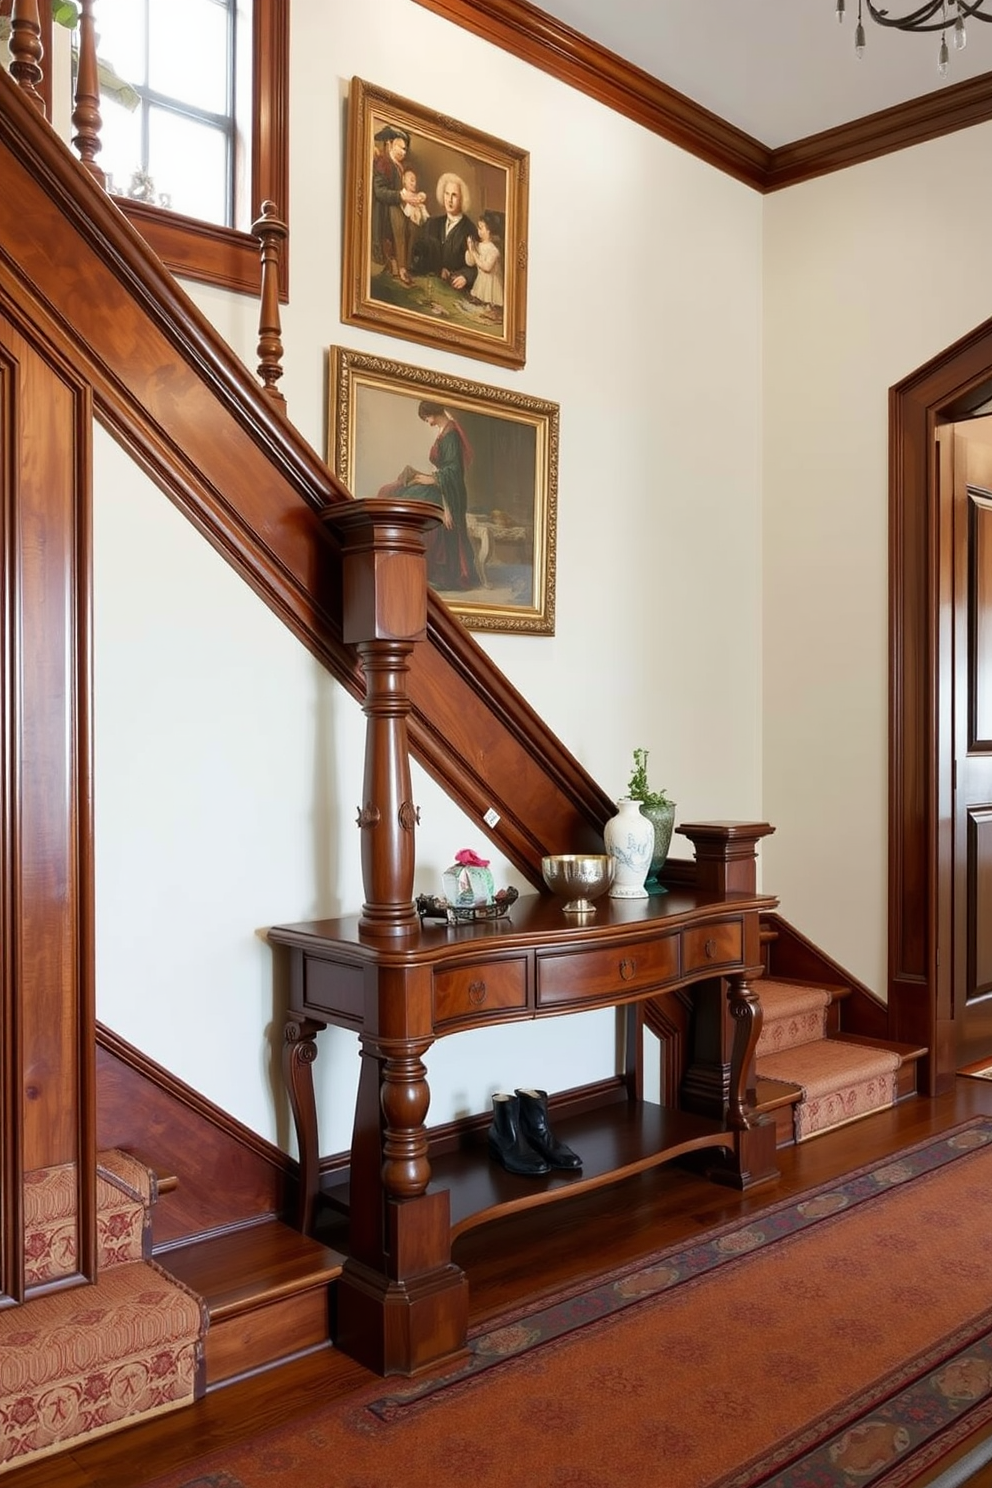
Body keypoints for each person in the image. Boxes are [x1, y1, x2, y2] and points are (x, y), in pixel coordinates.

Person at [376, 400, 478, 591]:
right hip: (441, 486)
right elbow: (443, 468)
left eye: (427, 417)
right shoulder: (444, 431)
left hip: (450, 492)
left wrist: (441, 498)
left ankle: (441, 573)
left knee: (405, 496)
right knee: (396, 491)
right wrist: (423, 477)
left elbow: (453, 472)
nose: (428, 422)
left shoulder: (451, 435)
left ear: (434, 412)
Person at [370, 125, 424, 286]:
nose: (404, 152)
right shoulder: (383, 163)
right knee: (399, 221)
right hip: (385, 214)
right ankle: (400, 267)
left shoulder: (402, 168)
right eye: (401, 148)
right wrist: (401, 196)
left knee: (414, 225)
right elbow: (379, 192)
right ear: (390, 144)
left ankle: (405, 264)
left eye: (405, 150)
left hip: (402, 211)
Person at [410, 173, 478, 292]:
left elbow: (476, 266)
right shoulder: (433, 223)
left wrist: (466, 277)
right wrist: (437, 269)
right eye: (447, 194)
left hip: (455, 289)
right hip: (431, 284)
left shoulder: (469, 229)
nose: (449, 199)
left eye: (454, 195)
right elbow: (421, 255)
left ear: (462, 199)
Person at [465, 211, 504, 321]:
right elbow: (470, 262)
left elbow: (486, 268)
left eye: (481, 228)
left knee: (489, 311)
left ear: (489, 231)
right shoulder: (479, 246)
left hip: (491, 284)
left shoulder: (494, 250)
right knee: (478, 308)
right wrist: (470, 249)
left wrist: (474, 251)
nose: (479, 231)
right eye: (478, 227)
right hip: (481, 282)